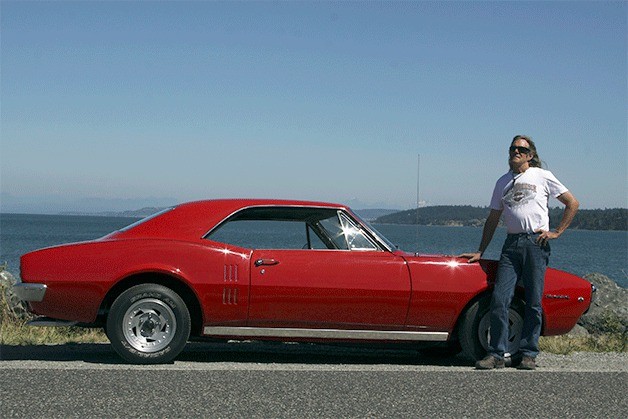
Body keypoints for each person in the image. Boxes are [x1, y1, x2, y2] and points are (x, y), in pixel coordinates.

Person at [460, 135, 579, 370]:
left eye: (521, 149)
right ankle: (496, 354)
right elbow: (493, 218)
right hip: (511, 245)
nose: (516, 151)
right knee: (499, 299)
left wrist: (557, 231)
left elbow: (572, 203)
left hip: (536, 243)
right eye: (513, 148)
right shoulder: (502, 181)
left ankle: (528, 353)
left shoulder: (542, 176)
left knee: (534, 301)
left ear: (530, 155)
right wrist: (480, 250)